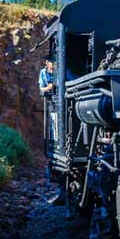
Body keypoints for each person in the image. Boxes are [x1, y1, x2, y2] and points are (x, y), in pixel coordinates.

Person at [39, 59, 64, 205]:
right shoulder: (43, 73)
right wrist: (50, 87)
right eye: (51, 62)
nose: (53, 65)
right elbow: (41, 88)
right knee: (54, 127)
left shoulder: (59, 71)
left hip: (59, 101)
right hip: (53, 102)